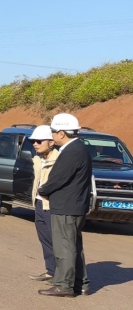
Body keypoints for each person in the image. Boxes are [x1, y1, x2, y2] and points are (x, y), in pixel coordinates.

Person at [37, 113, 92, 297]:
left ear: (61, 133)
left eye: (53, 131)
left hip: (66, 206)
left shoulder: (71, 151)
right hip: (75, 205)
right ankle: (80, 284)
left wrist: (43, 190)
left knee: (64, 247)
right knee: (74, 245)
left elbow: (57, 178)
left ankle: (63, 285)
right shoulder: (79, 148)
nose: (52, 135)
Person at [27, 124, 58, 282]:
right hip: (39, 204)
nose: (35, 144)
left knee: (56, 241)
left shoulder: (59, 160)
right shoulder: (38, 159)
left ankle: (62, 275)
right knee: (44, 238)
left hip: (52, 206)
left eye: (39, 141)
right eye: (33, 141)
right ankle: (51, 271)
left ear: (51, 142)